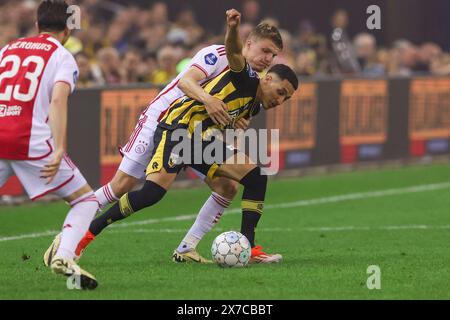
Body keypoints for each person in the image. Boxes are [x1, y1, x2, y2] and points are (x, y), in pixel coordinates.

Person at [64, 8, 298, 265]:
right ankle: (80, 235)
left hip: (198, 139)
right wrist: (231, 29)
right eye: (265, 51)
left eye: (273, 55)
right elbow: (214, 64)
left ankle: (230, 247)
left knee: (248, 179)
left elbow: (223, 114)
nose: (281, 99)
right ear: (249, 45)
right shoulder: (235, 67)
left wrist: (231, 122)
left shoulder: (253, 100)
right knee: (141, 191)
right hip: (172, 126)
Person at [0, 0, 98, 290]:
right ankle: (65, 256)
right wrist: (59, 147)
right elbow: (58, 100)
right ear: (68, 30)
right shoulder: (62, 56)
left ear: (36, 25)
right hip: (30, 141)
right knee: (85, 200)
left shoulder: (7, 49)